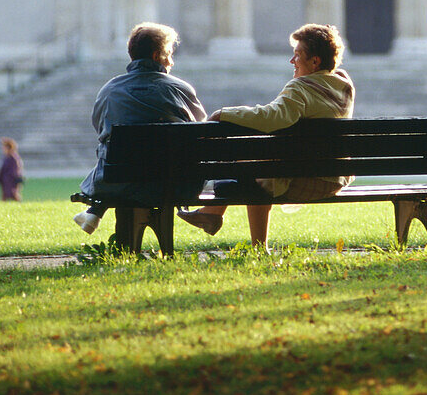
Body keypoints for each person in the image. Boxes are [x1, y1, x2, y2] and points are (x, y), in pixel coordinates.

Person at [178, 23, 355, 250]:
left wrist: (225, 113)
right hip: (335, 177)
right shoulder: (344, 86)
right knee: (252, 167)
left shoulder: (301, 87)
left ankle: (222, 218)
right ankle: (213, 212)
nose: (292, 61)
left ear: (315, 61)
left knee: (249, 174)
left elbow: (273, 116)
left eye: (297, 55)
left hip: (307, 179)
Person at [73, 22, 207, 234]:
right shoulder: (180, 89)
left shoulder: (111, 89)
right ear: (156, 56)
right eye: (169, 54)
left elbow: (99, 126)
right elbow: (199, 129)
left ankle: (98, 211)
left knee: (113, 157)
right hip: (177, 183)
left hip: (119, 180)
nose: (171, 61)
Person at [0, 137, 24, 201]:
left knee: (13, 194)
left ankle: (21, 206)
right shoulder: (6, 157)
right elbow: (2, 170)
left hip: (11, 181)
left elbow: (15, 170)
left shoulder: (13, 158)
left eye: (4, 147)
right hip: (5, 181)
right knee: (5, 195)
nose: (3, 149)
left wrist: (15, 179)